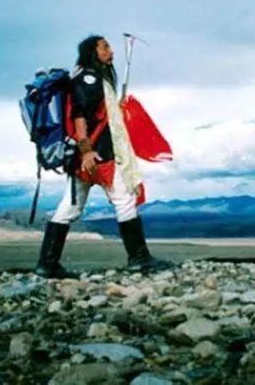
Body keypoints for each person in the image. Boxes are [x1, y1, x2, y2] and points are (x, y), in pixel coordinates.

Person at [34, 35, 172, 278]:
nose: (111, 51)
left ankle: (47, 263)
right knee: (125, 199)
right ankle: (139, 258)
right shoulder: (90, 78)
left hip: (83, 156)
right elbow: (80, 115)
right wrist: (87, 149)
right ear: (92, 52)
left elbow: (90, 113)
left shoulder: (87, 77)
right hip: (98, 153)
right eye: (105, 47)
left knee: (71, 207)